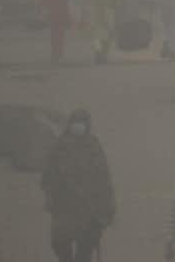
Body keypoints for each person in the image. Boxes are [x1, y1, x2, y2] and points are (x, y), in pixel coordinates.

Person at [41, 107, 115, 262]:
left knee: (86, 248)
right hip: (65, 205)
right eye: (75, 122)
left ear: (87, 125)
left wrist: (108, 207)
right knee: (58, 242)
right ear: (69, 124)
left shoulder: (94, 146)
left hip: (90, 207)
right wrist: (49, 195)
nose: (78, 126)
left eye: (81, 123)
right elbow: (49, 175)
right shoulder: (59, 146)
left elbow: (104, 178)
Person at [39, 0, 73, 65]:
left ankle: (56, 55)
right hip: (57, 13)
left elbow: (44, 0)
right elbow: (44, 0)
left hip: (58, 13)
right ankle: (56, 55)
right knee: (57, 35)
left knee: (57, 35)